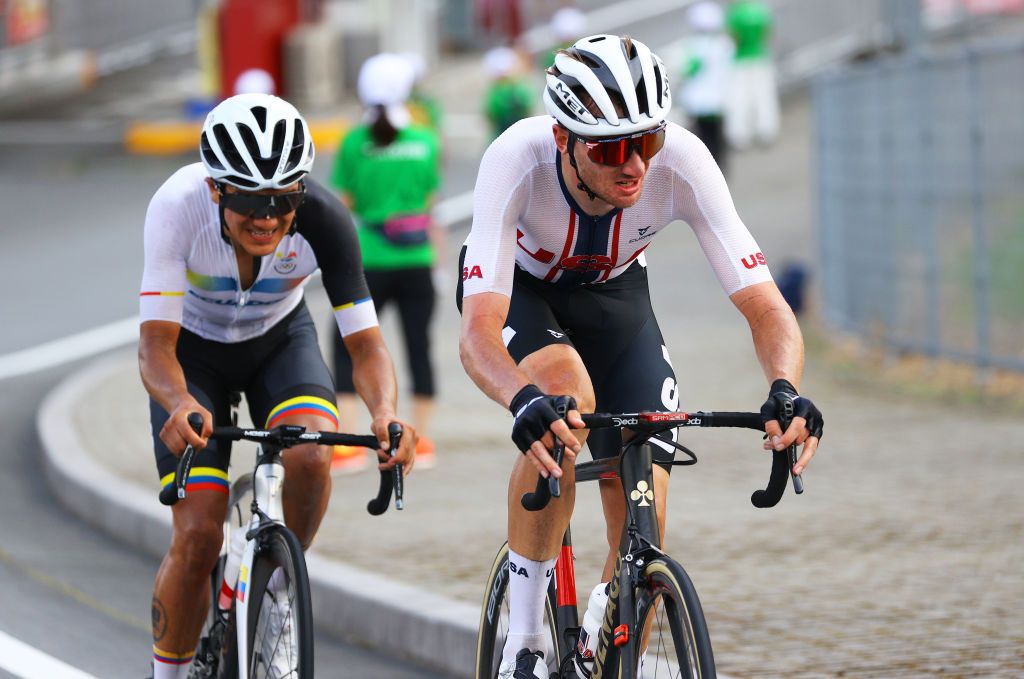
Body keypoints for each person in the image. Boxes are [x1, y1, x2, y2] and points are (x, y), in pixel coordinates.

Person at [456, 34, 824, 678]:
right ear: (564, 140)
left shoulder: (684, 160)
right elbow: (476, 332)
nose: (635, 165)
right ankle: (524, 641)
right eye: (611, 149)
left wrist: (785, 389)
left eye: (647, 141)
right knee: (568, 405)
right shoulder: (516, 156)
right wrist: (522, 401)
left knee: (645, 504)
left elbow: (767, 307)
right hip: (523, 291)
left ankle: (610, 622)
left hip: (615, 298)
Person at [139, 93, 417, 678]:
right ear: (217, 189)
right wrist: (178, 400)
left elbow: (365, 343)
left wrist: (385, 411)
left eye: (282, 200)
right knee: (197, 535)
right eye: (247, 199)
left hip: (278, 342)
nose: (266, 217)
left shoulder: (324, 217)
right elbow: (156, 346)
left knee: (315, 453)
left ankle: (282, 586)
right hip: (193, 356)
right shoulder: (177, 206)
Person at [330, 53, 443, 471]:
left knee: (349, 346)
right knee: (419, 348)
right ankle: (422, 439)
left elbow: (342, 206)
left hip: (366, 261)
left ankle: (348, 441)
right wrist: (440, 265)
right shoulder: (426, 140)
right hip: (416, 258)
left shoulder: (353, 142)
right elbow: (431, 207)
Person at [680, 1, 734, 173]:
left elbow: (689, 70)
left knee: (702, 139)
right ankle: (721, 169)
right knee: (719, 137)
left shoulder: (695, 46)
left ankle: (706, 170)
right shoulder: (725, 43)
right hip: (719, 100)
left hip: (699, 102)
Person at [725, 0, 780, 148]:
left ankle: (740, 135)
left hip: (741, 60)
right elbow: (767, 32)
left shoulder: (735, 14)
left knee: (740, 99)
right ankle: (766, 131)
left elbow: (733, 37)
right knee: (764, 97)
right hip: (760, 57)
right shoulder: (760, 10)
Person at [482, 45, 534, 140]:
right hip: (521, 139)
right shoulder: (521, 89)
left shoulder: (495, 93)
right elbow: (529, 110)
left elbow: (489, 115)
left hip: (498, 140)